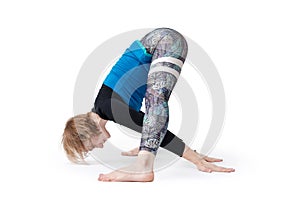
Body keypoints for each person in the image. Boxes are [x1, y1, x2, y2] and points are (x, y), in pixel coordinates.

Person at [62, 28, 235, 182]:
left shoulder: (108, 108)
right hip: (161, 42)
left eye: (92, 145)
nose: (100, 146)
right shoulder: (105, 108)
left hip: (164, 41)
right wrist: (147, 143)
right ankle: (145, 157)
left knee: (156, 101)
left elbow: (156, 125)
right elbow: (149, 126)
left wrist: (194, 159)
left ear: (86, 133)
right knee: (153, 119)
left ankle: (143, 166)